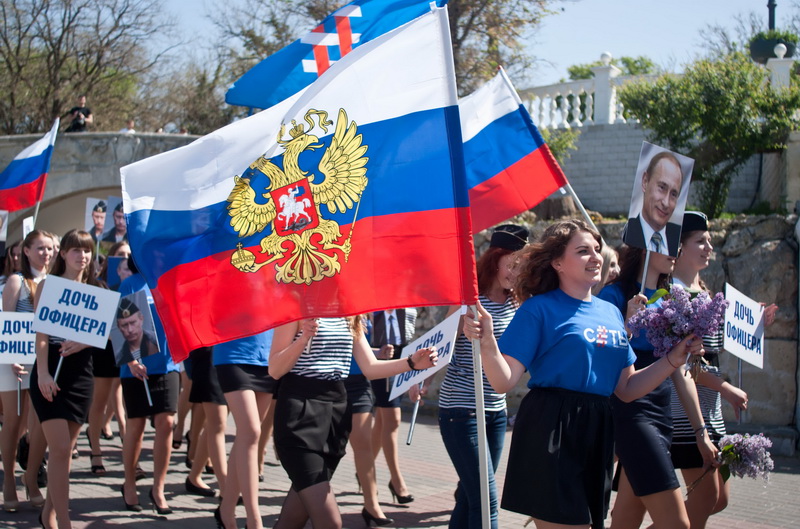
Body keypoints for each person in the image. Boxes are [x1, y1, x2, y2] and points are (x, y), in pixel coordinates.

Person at [463, 219, 705, 529]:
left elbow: (628, 388)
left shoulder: (610, 312)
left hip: (599, 429)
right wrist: (486, 342)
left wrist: (673, 358)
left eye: (597, 249)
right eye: (582, 251)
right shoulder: (538, 309)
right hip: (552, 425)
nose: (595, 257)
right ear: (557, 263)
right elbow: (503, 380)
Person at [268, 317, 438, 529]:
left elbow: (370, 367)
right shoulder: (296, 310)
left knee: (292, 520)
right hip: (300, 414)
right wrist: (302, 339)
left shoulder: (350, 315)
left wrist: (411, 364)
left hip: (335, 414)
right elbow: (274, 369)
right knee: (330, 522)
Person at [669, 211, 778, 528]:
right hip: (687, 414)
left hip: (710, 409)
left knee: (718, 500)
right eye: (699, 241)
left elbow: (717, 340)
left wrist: (754, 318)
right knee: (703, 500)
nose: (708, 247)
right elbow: (683, 366)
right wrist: (725, 387)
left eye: (709, 241)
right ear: (680, 248)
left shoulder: (702, 290)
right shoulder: (675, 296)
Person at [599, 245, 717, 529]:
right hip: (630, 414)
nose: (676, 250)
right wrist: (625, 325)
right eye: (668, 244)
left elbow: (680, 372)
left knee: (625, 522)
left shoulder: (670, 302)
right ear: (645, 248)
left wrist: (701, 432)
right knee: (678, 524)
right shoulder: (613, 295)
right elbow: (600, 360)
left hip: (662, 415)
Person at [431, 223, 528, 529]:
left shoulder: (518, 303)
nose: (516, 271)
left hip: (496, 411)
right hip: (461, 411)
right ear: (494, 259)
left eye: (522, 265)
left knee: (471, 497)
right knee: (486, 503)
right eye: (512, 263)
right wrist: (459, 326)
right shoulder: (469, 300)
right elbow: (440, 341)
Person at [29, 229, 104, 529]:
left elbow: (102, 336)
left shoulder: (98, 288)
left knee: (64, 454)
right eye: (75, 250)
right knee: (59, 450)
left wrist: (84, 342)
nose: (82, 256)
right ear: (63, 254)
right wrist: (44, 373)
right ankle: (64, 520)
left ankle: (48, 513)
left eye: (86, 251)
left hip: (81, 376)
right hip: (50, 373)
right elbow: (42, 335)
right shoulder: (49, 286)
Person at [118, 257, 180, 516]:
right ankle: (129, 483)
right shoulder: (130, 284)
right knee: (136, 427)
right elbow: (120, 324)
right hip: (137, 365)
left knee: (166, 423)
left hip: (167, 364)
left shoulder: (173, 279)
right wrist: (131, 360)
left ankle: (158, 488)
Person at [1, 231, 54, 512]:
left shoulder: (55, 283)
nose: (46, 253)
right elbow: (7, 320)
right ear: (27, 251)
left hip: (41, 361)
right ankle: (8, 479)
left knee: (37, 426)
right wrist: (10, 357)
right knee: (13, 421)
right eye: (40, 248)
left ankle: (31, 477)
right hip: (12, 361)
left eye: (50, 248)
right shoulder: (16, 281)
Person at [214, 332, 274, 529]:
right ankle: (254, 519)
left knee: (246, 438)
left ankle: (226, 510)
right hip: (234, 353)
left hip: (267, 355)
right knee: (251, 432)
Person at [369, 308, 417, 505]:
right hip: (379, 358)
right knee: (393, 418)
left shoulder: (410, 309)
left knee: (382, 420)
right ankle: (397, 481)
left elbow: (412, 340)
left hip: (402, 358)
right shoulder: (372, 308)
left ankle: (364, 468)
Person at [622, 151, 683, 257]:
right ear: (645, 181)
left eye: (673, 194)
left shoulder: (679, 240)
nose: (666, 203)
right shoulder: (629, 234)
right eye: (662, 187)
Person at [115, 298, 158, 365]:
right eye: (124, 325)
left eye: (133, 323)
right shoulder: (118, 357)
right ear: (119, 327)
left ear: (141, 319)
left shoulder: (156, 341)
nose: (130, 330)